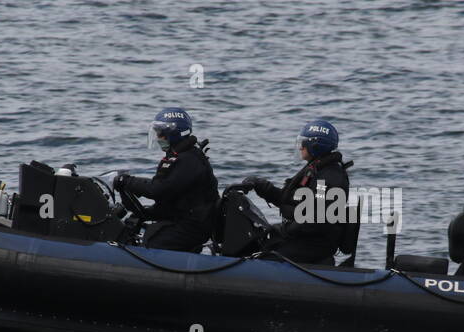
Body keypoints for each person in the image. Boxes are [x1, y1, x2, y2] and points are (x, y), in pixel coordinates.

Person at [232, 119, 350, 264]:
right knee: (255, 244)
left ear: (315, 145)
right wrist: (260, 185)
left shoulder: (327, 179)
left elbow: (314, 220)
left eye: (303, 143)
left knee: (264, 259)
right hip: (303, 237)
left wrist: (283, 229)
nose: (300, 147)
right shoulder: (316, 170)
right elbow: (289, 200)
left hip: (314, 245)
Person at [114, 107, 218, 252]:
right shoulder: (179, 156)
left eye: (160, 133)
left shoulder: (188, 160)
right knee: (136, 224)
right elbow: (171, 197)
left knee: (154, 240)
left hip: (194, 225)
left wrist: (126, 181)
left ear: (174, 133)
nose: (157, 137)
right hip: (185, 218)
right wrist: (146, 212)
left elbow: (159, 189)